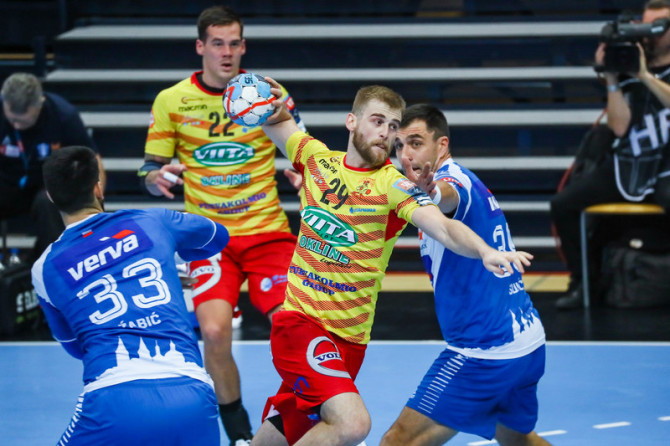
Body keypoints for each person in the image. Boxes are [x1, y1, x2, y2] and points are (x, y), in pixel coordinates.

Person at [250, 82, 533, 446]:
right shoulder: (316, 158)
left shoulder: (393, 186)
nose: (386, 132)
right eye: (377, 121)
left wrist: (484, 251)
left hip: (350, 341)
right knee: (352, 424)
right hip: (300, 324)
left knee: (289, 426)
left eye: (393, 126)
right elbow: (278, 123)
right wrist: (272, 105)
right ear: (352, 121)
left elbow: (444, 227)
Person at [138, 6, 305, 444]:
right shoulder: (172, 100)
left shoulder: (269, 94)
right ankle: (239, 433)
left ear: (243, 46)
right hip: (208, 239)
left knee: (292, 326)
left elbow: (301, 150)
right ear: (201, 47)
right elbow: (149, 170)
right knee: (213, 331)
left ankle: (297, 416)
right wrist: (156, 178)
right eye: (217, 43)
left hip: (267, 232)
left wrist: (301, 172)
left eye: (234, 43)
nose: (226, 52)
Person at [32, 145, 230, 445]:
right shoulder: (151, 221)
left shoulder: (45, 268)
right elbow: (217, 236)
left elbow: (76, 347)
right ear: (98, 187)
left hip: (113, 399)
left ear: (50, 196)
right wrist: (164, 258)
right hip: (193, 393)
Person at [379, 104, 551, 446]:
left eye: (416, 143)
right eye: (399, 145)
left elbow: (447, 197)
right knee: (518, 440)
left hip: (485, 350)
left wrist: (431, 192)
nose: (406, 154)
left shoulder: (453, 182)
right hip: (526, 341)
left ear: (442, 145)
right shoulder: (464, 179)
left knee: (398, 442)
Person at [551, 0, 670, 310]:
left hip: (666, 167)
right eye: (646, 25)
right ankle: (585, 283)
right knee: (563, 205)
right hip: (629, 164)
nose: (651, 34)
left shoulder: (641, 70)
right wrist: (613, 79)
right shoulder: (628, 63)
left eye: (658, 27)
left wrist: (645, 76)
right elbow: (619, 127)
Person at [0, 72, 105, 262]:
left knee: (49, 202)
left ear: (39, 104)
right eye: (12, 120)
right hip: (7, 182)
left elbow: (91, 159)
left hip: (48, 186)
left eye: (22, 121)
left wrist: (96, 201)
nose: (16, 126)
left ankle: (50, 264)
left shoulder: (63, 115)